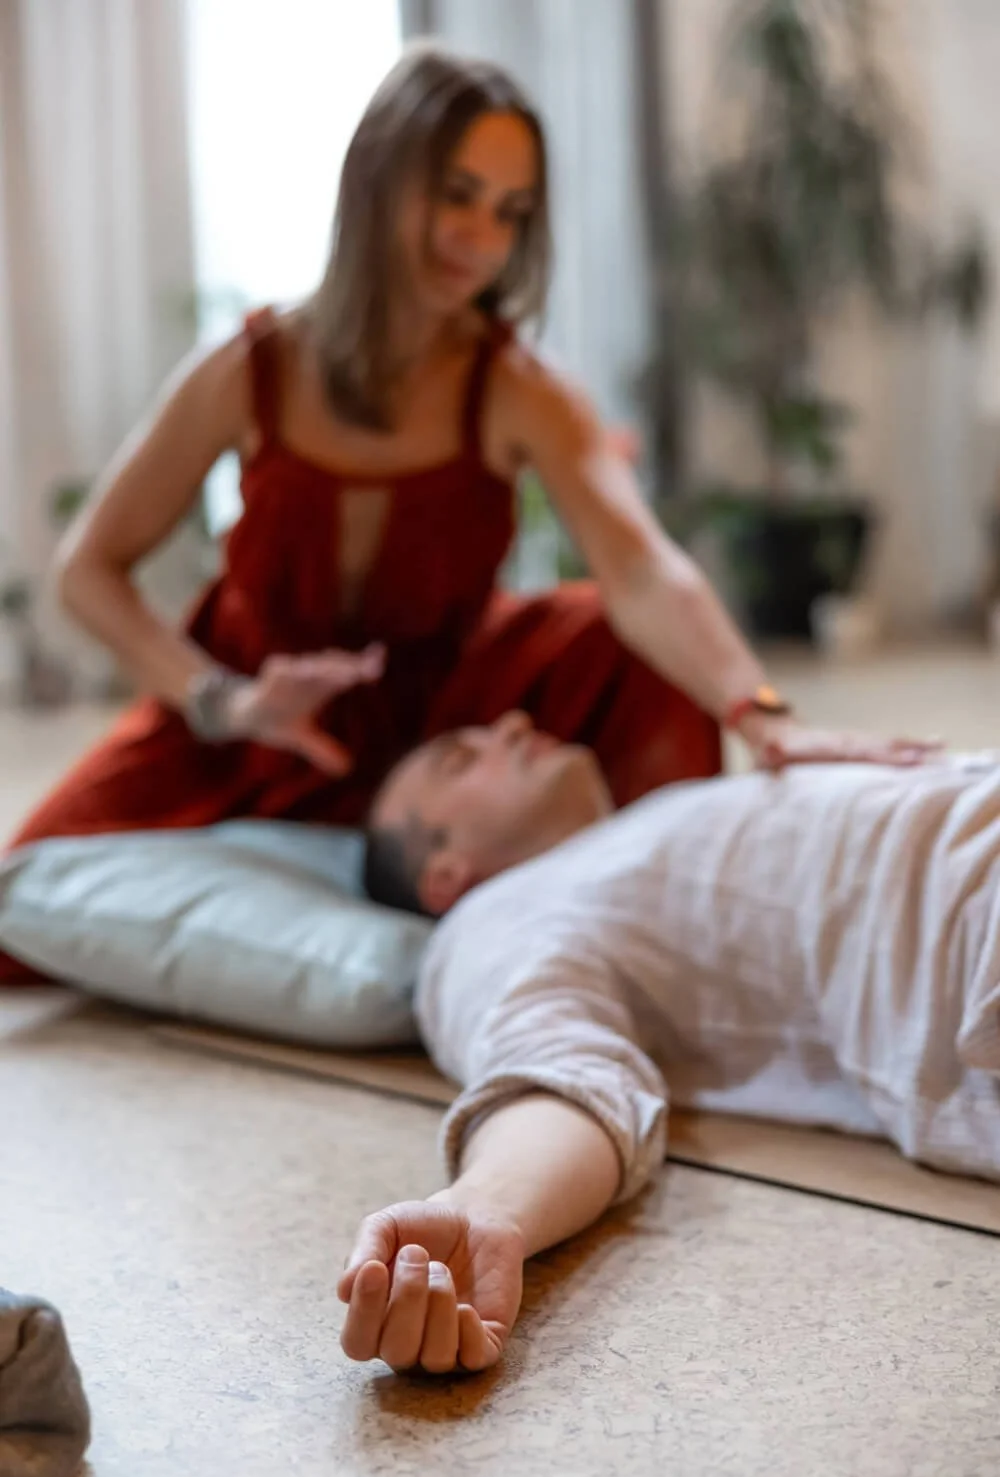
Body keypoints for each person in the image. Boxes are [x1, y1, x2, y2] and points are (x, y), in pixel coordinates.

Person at [0, 42, 934, 986]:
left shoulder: (519, 387)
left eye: (510, 212)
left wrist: (760, 713)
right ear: (377, 179)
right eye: (456, 195)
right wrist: (223, 701)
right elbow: (88, 567)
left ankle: (652, 915)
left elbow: (643, 567)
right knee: (18, 907)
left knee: (614, 632)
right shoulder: (248, 370)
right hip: (257, 718)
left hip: (449, 714)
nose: (482, 238)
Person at [337, 714, 1000, 1375]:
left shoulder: (637, 824)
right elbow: (558, 1073)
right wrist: (485, 1206)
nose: (510, 723)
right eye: (460, 760)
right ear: (445, 874)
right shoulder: (489, 926)